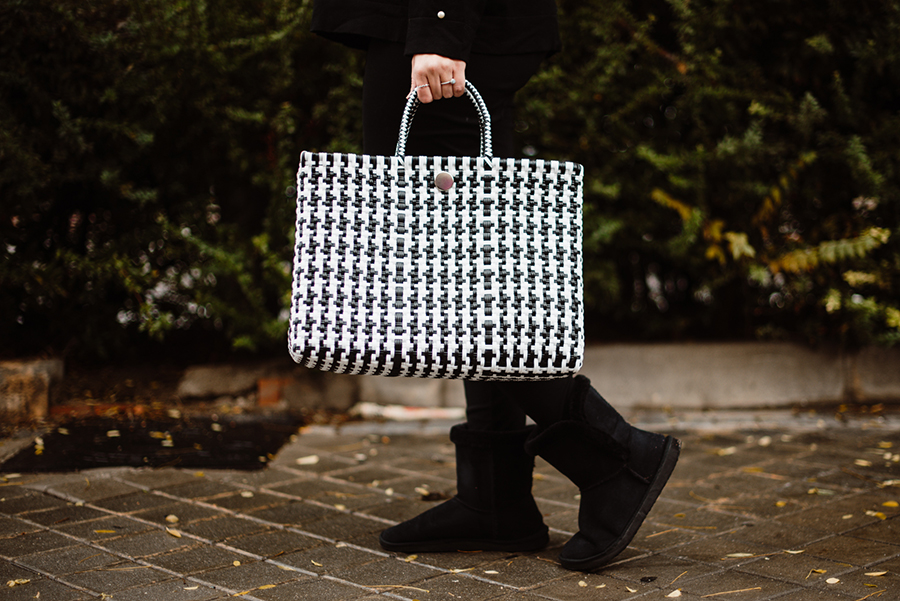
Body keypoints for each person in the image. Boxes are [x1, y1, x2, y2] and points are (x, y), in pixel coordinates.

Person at [310, 0, 681, 572]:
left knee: (463, 280)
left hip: (443, 32)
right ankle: (495, 497)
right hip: (447, 31)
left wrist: (440, 29)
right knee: (476, 280)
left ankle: (617, 459)